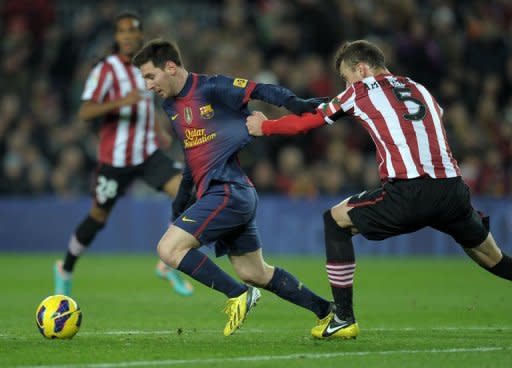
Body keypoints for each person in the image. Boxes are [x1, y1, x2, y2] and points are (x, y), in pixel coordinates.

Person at [246, 40, 512, 339]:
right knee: (493, 257)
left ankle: (344, 318)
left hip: (409, 192)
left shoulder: (360, 90)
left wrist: (265, 127)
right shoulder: (419, 88)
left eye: (347, 77)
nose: (347, 84)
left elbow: (308, 122)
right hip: (453, 191)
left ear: (361, 68)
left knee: (335, 220)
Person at [132, 38, 333, 336]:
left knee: (168, 248)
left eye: (150, 76)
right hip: (230, 193)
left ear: (171, 67)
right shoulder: (171, 107)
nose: (148, 85)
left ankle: (238, 294)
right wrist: (179, 206)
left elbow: (262, 90)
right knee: (255, 271)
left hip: (227, 190)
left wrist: (299, 105)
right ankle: (327, 312)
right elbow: (192, 159)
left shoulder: (211, 87)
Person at [54, 12, 194, 297]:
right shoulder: (106, 70)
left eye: (133, 30)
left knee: (188, 193)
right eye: (122, 31)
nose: (128, 35)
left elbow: (146, 102)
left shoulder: (145, 66)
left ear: (140, 35)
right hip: (115, 161)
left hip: (147, 153)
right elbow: (85, 111)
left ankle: (167, 263)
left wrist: (157, 128)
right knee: (98, 217)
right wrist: (120, 102)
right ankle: (65, 268)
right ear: (116, 37)